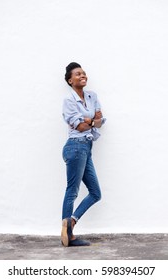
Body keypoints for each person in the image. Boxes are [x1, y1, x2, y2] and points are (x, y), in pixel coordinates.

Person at [61, 62, 106, 247]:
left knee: (96, 193)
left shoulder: (92, 96)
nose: (83, 75)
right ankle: (68, 235)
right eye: (78, 74)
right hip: (75, 147)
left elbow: (100, 119)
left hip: (86, 148)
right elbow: (79, 126)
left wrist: (90, 121)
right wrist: (90, 120)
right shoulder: (69, 100)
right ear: (70, 80)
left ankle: (70, 222)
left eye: (84, 73)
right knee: (72, 191)